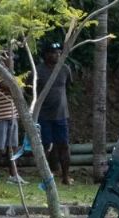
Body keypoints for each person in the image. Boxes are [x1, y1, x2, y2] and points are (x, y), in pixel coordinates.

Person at [35, 42, 73, 185]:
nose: (56, 54)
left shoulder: (65, 69)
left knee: (63, 145)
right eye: (52, 52)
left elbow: (68, 86)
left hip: (61, 115)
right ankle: (45, 176)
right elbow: (29, 90)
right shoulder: (38, 71)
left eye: (58, 52)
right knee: (45, 146)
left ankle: (65, 176)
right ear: (45, 55)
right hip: (43, 115)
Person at [0, 53, 24, 185]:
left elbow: (20, 91)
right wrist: (18, 85)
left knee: (13, 147)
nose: (12, 62)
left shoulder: (9, 76)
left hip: (12, 115)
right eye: (10, 59)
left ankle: (13, 175)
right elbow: (13, 89)